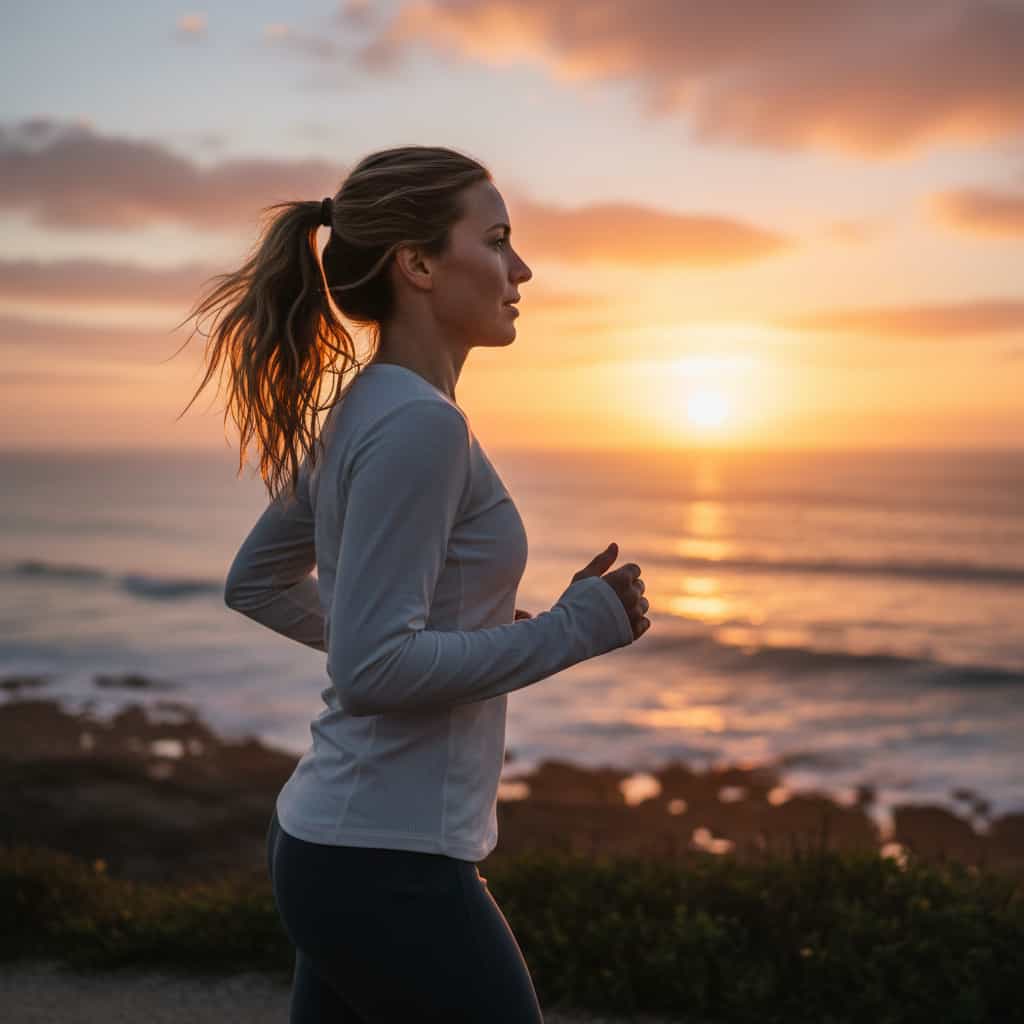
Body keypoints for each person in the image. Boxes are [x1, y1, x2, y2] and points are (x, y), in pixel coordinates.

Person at [177, 145, 651, 1022]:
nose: (522, 268)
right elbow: (372, 668)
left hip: (335, 846)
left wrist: (447, 627)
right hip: (383, 866)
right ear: (420, 264)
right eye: (498, 239)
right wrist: (570, 630)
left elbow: (258, 584)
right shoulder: (421, 429)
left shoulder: (367, 406)